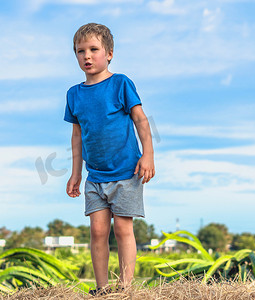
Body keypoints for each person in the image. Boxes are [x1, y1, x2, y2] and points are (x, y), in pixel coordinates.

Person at [64, 23, 155, 295]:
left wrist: (148, 155)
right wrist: (75, 173)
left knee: (123, 230)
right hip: (95, 177)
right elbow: (77, 136)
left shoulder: (121, 83)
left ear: (110, 53)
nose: (87, 56)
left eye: (94, 49)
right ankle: (102, 289)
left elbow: (140, 119)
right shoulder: (74, 94)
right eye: (81, 51)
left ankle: (125, 288)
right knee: (97, 232)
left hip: (127, 173)